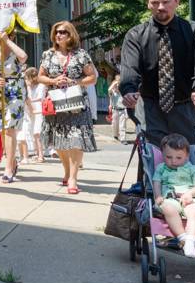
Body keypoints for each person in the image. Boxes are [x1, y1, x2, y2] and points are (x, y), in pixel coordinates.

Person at [120, 0, 195, 157]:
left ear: (177, 1)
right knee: (152, 163)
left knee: (191, 162)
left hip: (187, 108)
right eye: (155, 3)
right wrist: (129, 91)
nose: (160, 7)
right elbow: (130, 70)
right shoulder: (135, 35)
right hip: (150, 109)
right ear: (148, 4)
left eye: (165, 2)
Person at [37, 20, 98, 194]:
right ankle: (66, 171)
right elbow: (40, 77)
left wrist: (75, 81)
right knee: (58, 142)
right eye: (56, 32)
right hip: (55, 105)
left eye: (63, 32)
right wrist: (53, 80)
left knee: (76, 140)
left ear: (71, 34)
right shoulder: (48, 55)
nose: (59, 35)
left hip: (77, 105)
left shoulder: (81, 54)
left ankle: (73, 178)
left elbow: (92, 77)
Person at [153, 133, 195, 258]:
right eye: (168, 157)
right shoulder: (161, 168)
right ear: (162, 155)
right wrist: (158, 196)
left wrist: (190, 193)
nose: (173, 161)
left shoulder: (194, 169)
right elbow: (156, 182)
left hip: (192, 199)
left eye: (178, 158)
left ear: (187, 156)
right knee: (167, 208)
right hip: (170, 198)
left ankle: (191, 240)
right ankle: (183, 238)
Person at [0, 32, 28, 183]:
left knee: (10, 129)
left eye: (2, 38)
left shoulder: (15, 53)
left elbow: (23, 57)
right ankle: (12, 159)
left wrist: (7, 41)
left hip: (15, 93)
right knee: (3, 130)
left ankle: (8, 168)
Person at [20, 68, 45, 163]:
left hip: (38, 111)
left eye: (27, 78)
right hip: (30, 112)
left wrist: (28, 101)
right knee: (32, 133)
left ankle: (41, 155)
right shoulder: (29, 87)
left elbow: (40, 98)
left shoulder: (41, 86)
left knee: (37, 133)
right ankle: (37, 153)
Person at [109, 74, 129, 143]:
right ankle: (115, 135)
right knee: (115, 125)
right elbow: (109, 90)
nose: (117, 86)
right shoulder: (113, 92)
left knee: (122, 125)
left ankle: (123, 139)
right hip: (115, 110)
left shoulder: (123, 92)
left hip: (122, 110)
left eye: (119, 84)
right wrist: (114, 83)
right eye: (116, 85)